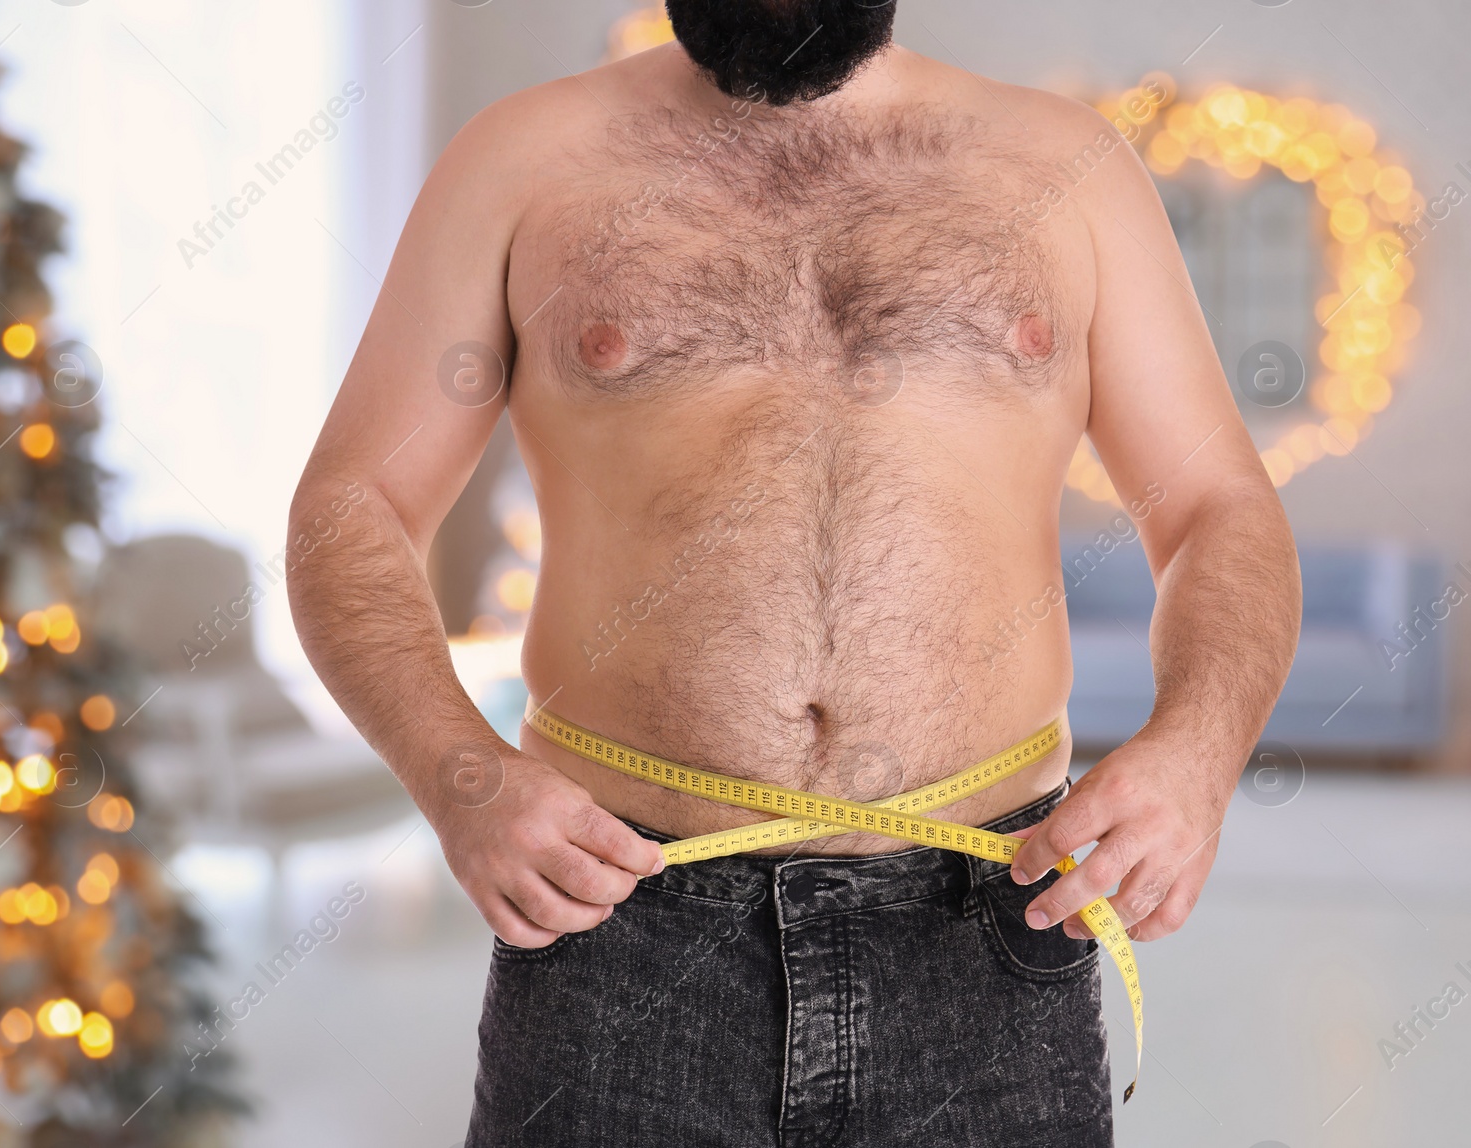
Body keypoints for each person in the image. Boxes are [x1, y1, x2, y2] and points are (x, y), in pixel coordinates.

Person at [287, 2, 1302, 1144]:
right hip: (621, 930)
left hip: (989, 925)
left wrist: (1199, 754)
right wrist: (457, 771)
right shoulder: (521, 161)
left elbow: (1219, 509)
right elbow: (352, 507)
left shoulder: (1066, 167)